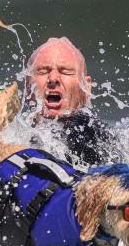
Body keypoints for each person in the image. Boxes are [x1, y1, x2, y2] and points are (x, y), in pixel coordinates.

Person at [24, 37, 122, 168]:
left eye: (66, 72)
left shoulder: (102, 142)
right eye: (43, 71)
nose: (53, 78)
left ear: (86, 89)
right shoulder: (10, 134)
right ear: (26, 86)